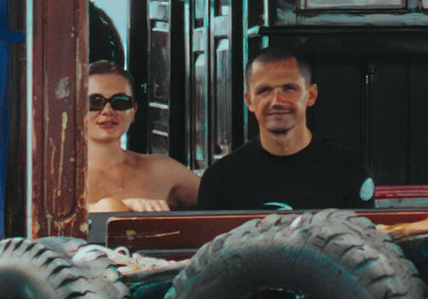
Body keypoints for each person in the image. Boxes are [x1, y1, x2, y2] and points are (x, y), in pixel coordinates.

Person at [196, 42, 365, 213]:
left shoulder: (348, 169)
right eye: (264, 91)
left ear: (311, 95)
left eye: (289, 89)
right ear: (249, 101)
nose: (277, 101)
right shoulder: (220, 180)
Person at [82, 68, 197, 216]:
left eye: (120, 102)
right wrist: (110, 207)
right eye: (95, 101)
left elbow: (223, 201)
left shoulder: (163, 170)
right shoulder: (57, 176)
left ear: (133, 111)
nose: (107, 110)